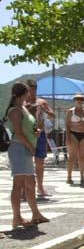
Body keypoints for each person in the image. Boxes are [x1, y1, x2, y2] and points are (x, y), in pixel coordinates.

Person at [5, 82, 50, 228]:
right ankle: (16, 217)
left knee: (31, 182)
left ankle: (35, 214)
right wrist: (31, 146)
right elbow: (18, 132)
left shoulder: (22, 108)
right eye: (28, 92)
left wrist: (36, 131)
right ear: (23, 94)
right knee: (18, 185)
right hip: (19, 148)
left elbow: (27, 127)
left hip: (25, 148)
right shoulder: (15, 111)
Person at [25, 79, 55, 198]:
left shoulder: (41, 102)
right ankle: (24, 189)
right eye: (29, 90)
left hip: (40, 134)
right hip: (27, 135)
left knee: (40, 163)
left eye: (34, 90)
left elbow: (53, 115)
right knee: (25, 162)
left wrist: (45, 110)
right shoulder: (22, 103)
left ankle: (40, 187)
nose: (32, 92)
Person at [65, 93, 84, 185]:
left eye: (81, 99)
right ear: (74, 101)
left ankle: (82, 176)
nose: (79, 101)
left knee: (83, 157)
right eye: (77, 99)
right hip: (73, 134)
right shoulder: (70, 111)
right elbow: (67, 125)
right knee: (72, 157)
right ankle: (69, 177)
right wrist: (67, 137)